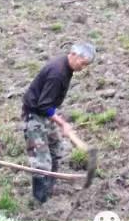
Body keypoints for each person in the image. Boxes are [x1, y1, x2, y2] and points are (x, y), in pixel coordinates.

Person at [22, 43, 96, 204]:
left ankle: (48, 191)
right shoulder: (57, 73)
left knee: (56, 150)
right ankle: (39, 202)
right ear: (74, 54)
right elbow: (43, 105)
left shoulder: (67, 68)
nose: (83, 68)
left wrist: (57, 120)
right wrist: (62, 123)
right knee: (41, 161)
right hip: (34, 116)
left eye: (86, 65)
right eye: (82, 63)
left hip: (45, 114)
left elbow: (48, 105)